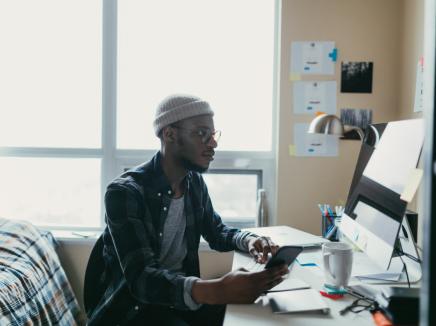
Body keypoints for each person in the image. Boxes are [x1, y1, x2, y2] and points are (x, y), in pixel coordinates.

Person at [85, 95, 288, 326]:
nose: (213, 143)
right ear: (169, 134)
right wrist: (218, 289)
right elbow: (142, 280)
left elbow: (217, 232)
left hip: (181, 301)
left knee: (262, 313)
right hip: (134, 312)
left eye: (213, 135)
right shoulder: (125, 193)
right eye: (202, 133)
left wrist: (249, 240)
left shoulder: (193, 183)